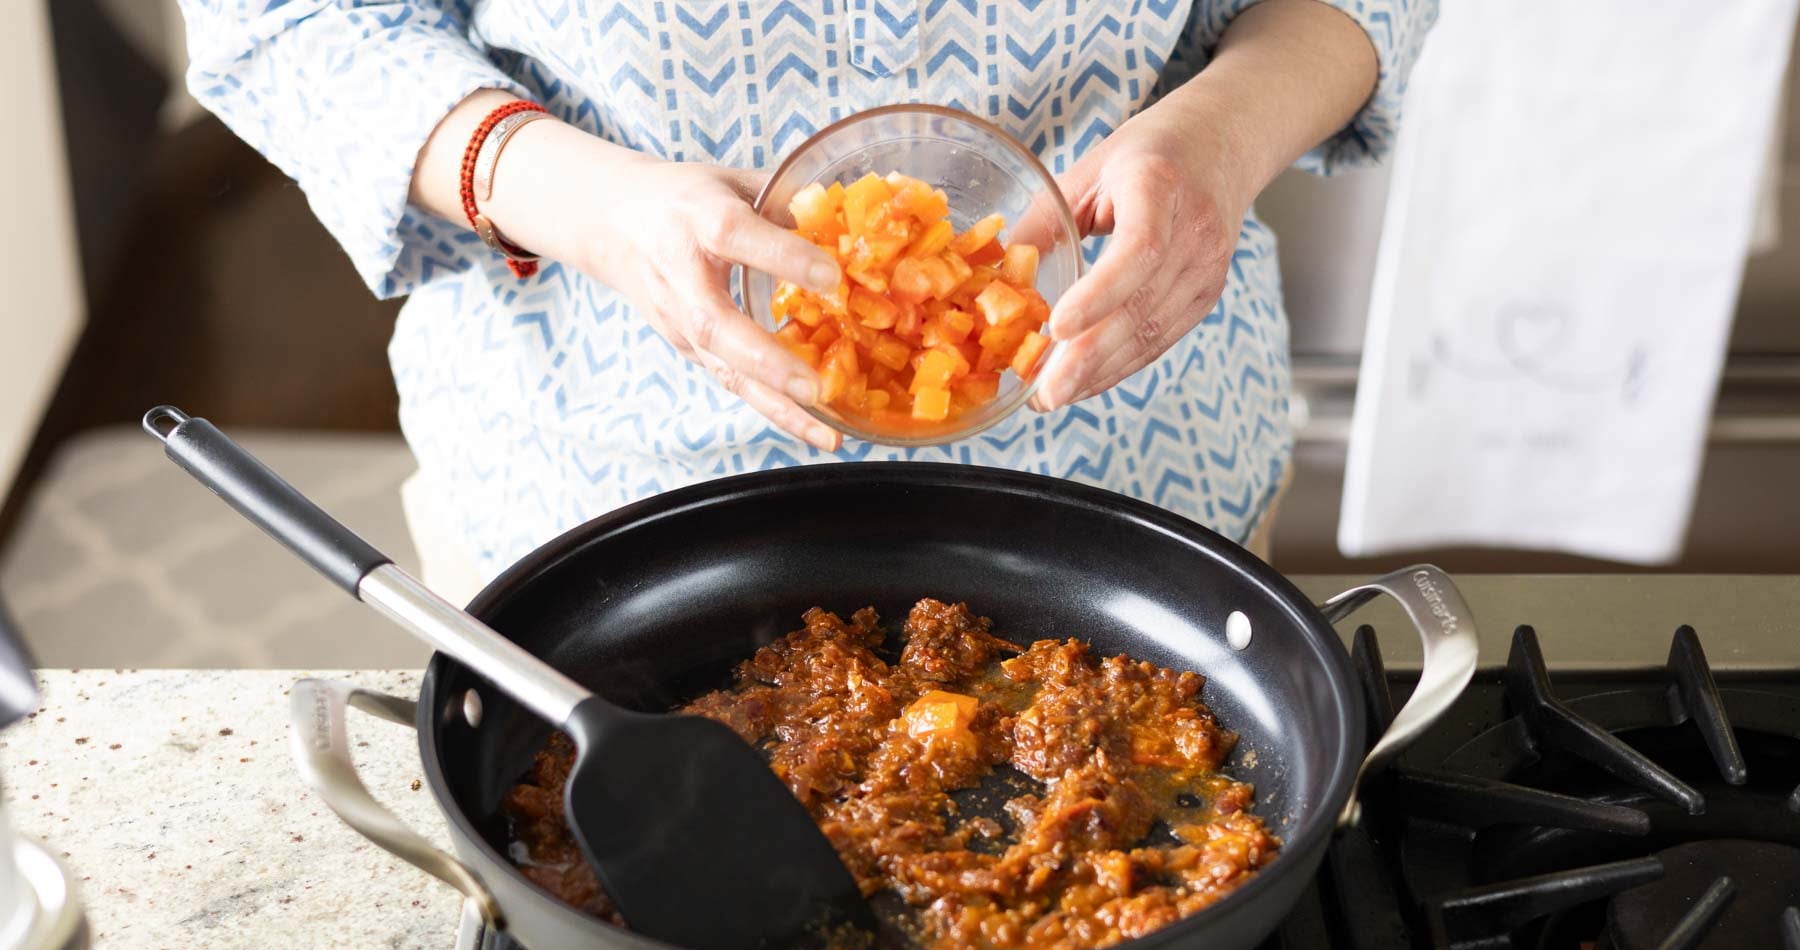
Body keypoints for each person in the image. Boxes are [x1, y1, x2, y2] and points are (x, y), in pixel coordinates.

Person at [179, 1, 1434, 602]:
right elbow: (291, 21)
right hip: (594, 488)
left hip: (1141, 473)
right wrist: (583, 198)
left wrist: (1221, 133)